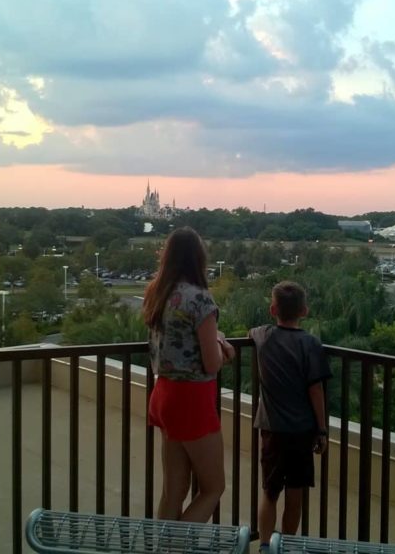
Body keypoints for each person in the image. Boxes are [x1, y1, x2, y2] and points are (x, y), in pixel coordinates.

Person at [143, 227, 235, 522]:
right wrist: (223, 346)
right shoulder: (199, 300)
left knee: (173, 490)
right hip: (192, 401)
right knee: (213, 488)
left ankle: (162, 547)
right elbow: (211, 364)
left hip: (164, 394)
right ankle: (176, 547)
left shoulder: (157, 292)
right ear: (199, 258)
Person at [249, 281, 332, 551]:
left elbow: (252, 333)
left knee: (269, 491)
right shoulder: (310, 344)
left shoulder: (262, 335)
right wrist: (321, 430)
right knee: (295, 492)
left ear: (273, 309)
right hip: (301, 430)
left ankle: (264, 544)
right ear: (304, 311)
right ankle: (284, 544)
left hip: (271, 429)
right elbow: (316, 390)